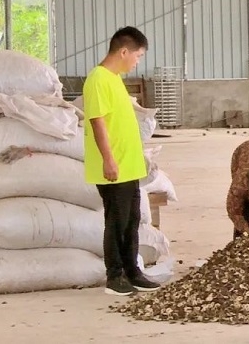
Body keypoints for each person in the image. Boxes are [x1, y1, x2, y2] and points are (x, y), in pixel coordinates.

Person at [83, 26, 160, 296]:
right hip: (114, 167)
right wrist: (108, 160)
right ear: (124, 51)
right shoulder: (98, 79)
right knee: (116, 222)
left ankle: (133, 271)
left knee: (131, 220)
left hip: (129, 166)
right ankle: (114, 276)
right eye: (137, 55)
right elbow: (97, 123)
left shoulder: (114, 78)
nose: (137, 61)